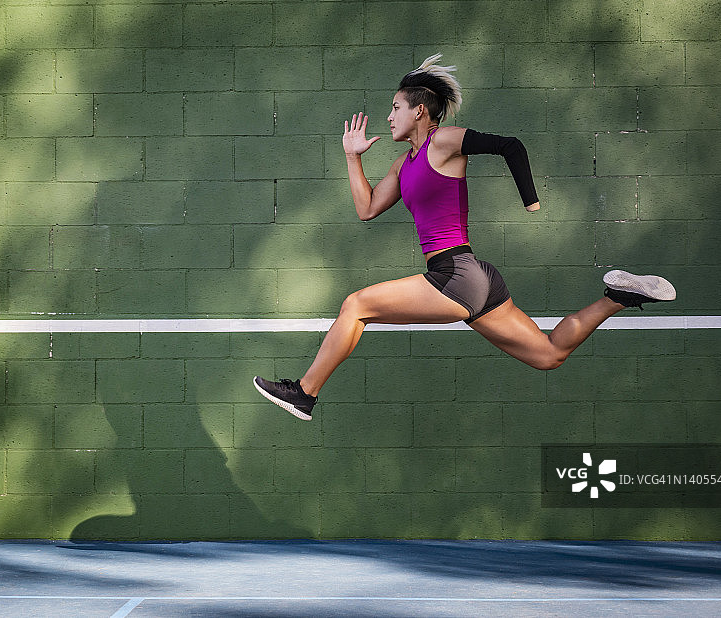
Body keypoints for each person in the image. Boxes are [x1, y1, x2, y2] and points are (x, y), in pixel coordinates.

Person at [253, 54, 675, 421]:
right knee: (548, 355)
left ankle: (304, 394)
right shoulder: (405, 163)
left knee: (355, 304)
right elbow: (366, 209)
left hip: (454, 273)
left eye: (395, 107)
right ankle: (618, 296)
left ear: (420, 110)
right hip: (474, 277)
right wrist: (351, 157)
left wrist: (530, 200)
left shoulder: (443, 143)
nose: (389, 116)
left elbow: (509, 145)